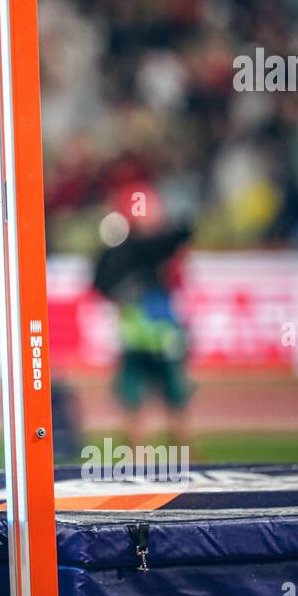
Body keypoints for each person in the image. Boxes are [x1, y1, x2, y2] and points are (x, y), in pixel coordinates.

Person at [91, 188, 193, 454]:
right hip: (156, 336)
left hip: (144, 336)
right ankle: (178, 455)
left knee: (145, 400)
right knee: (165, 399)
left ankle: (146, 456)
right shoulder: (148, 249)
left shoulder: (126, 252)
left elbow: (99, 285)